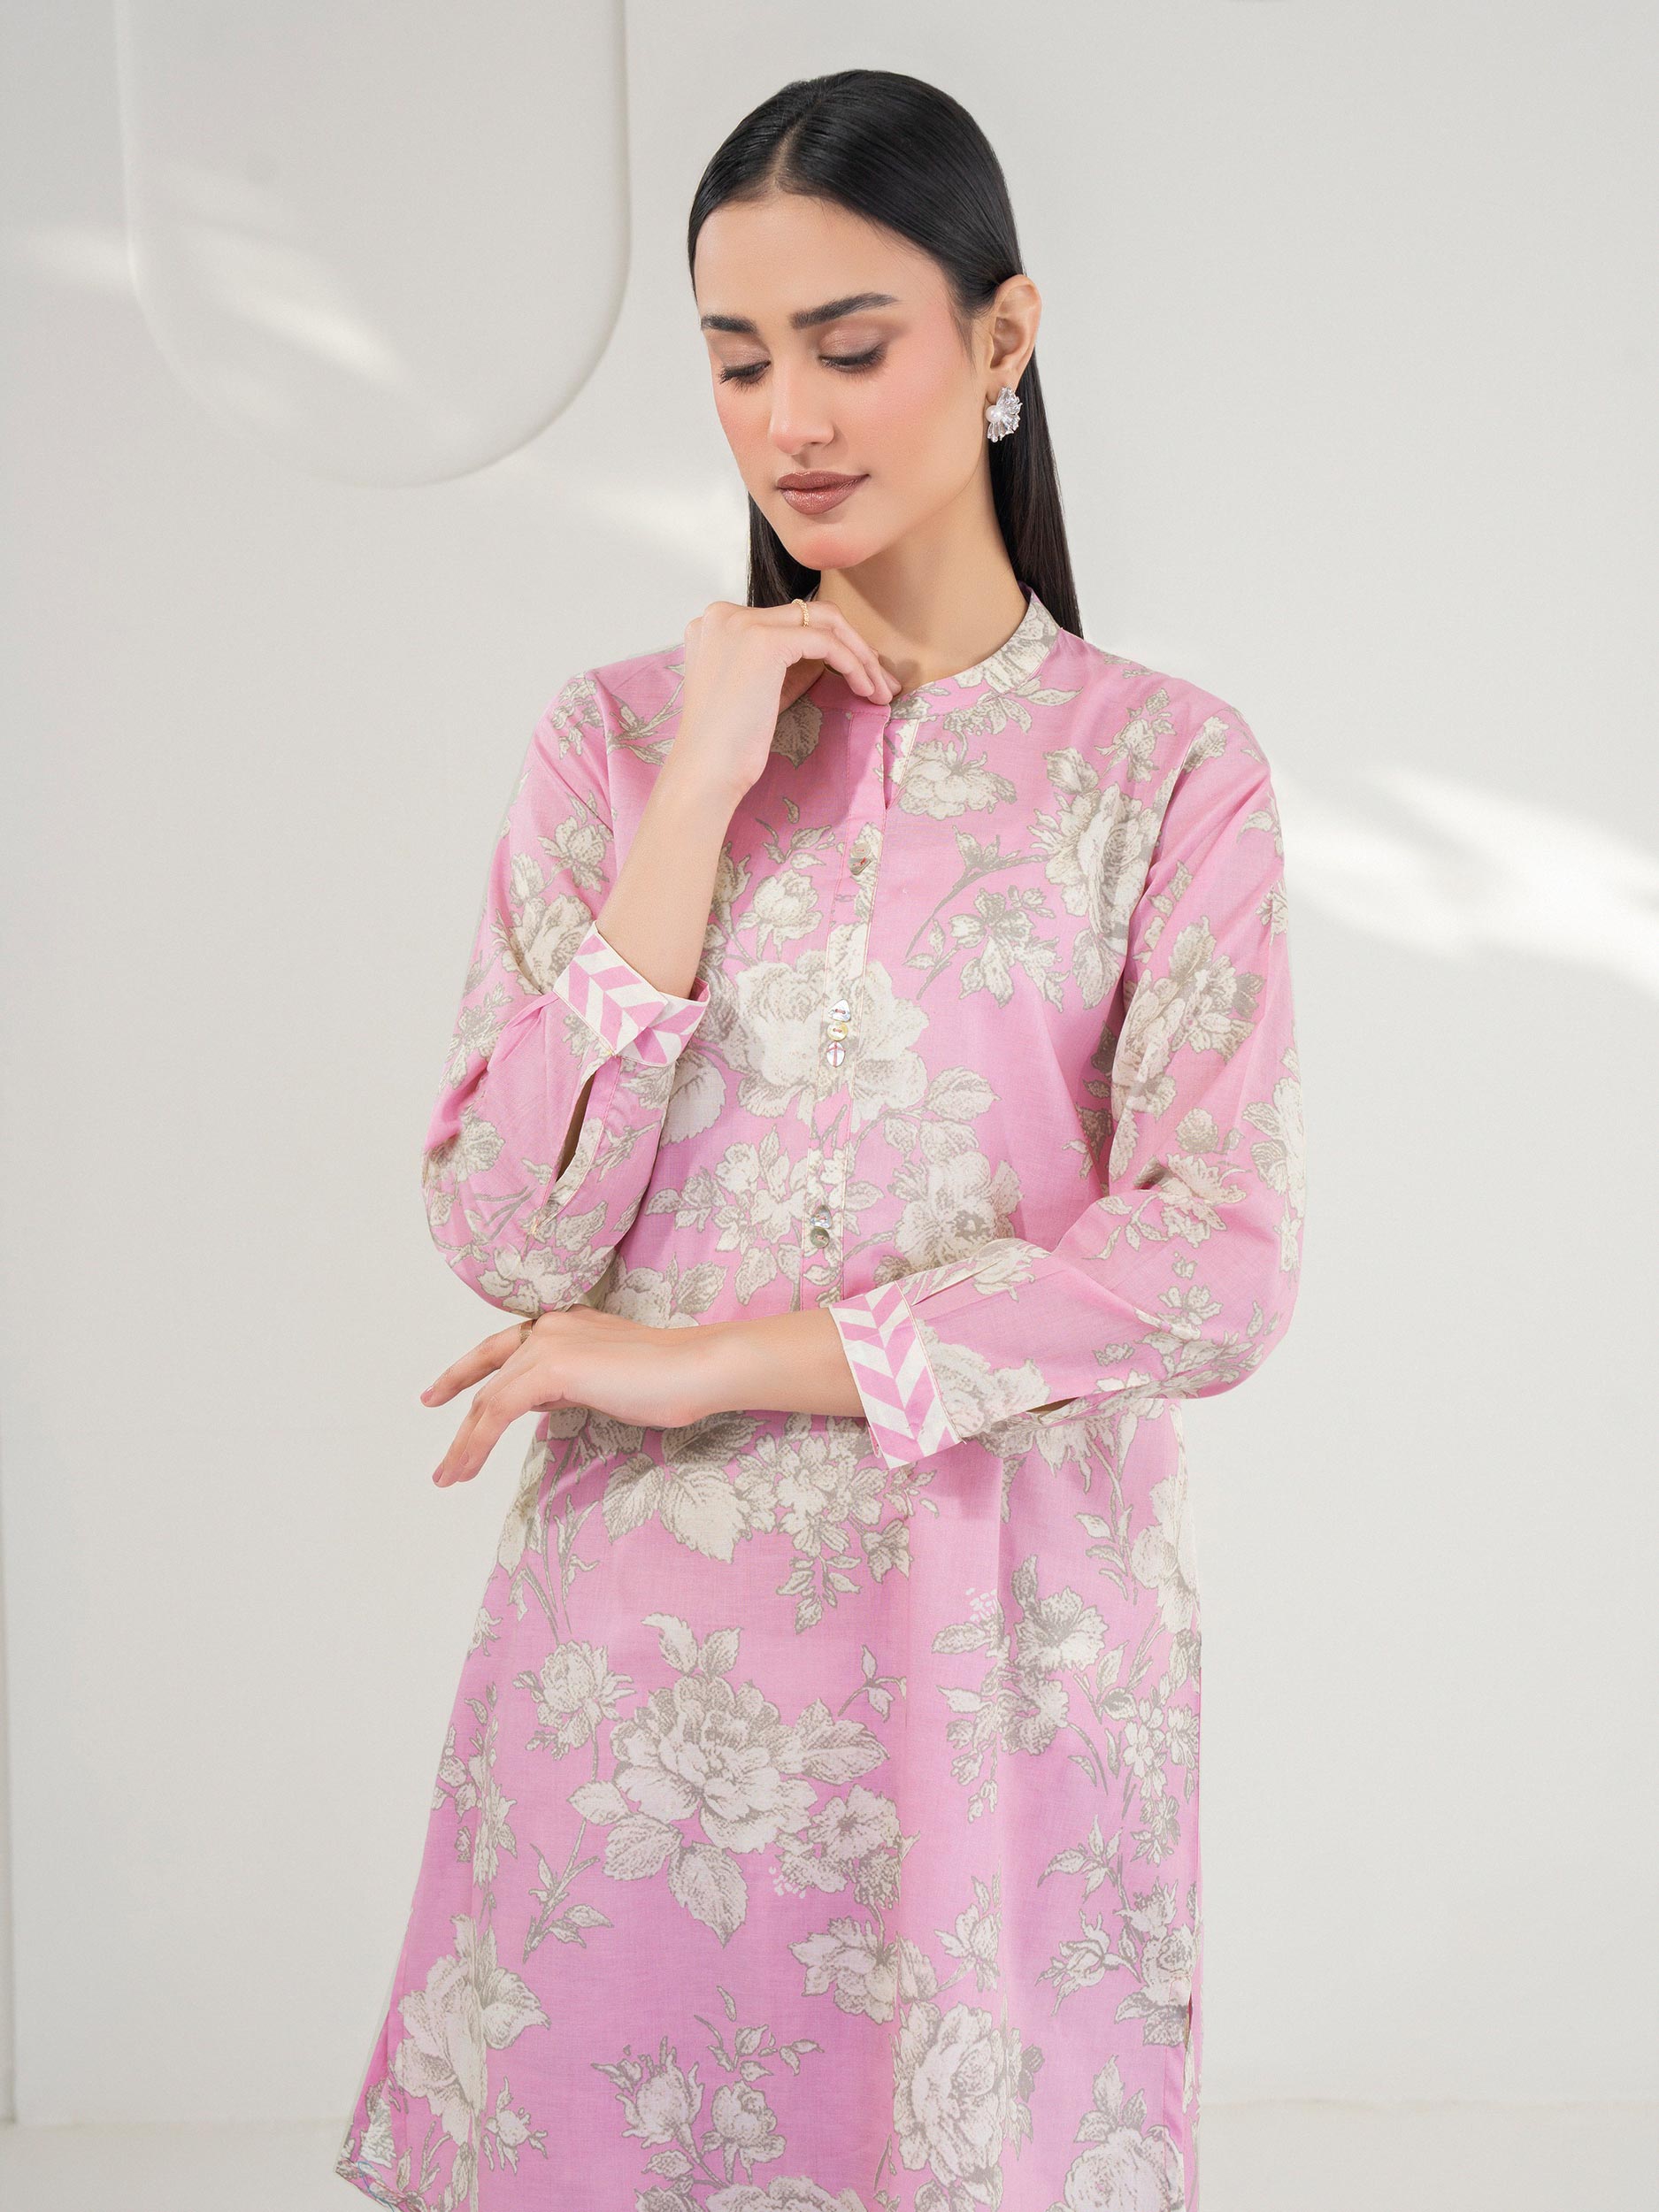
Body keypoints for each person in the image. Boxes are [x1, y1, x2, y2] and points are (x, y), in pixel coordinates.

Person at [335, 65, 1304, 2212]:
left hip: (993, 1665)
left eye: (850, 346)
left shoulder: (1159, 768)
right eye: (737, 359)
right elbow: (507, 1224)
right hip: (638, 1685)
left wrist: (707, 1356)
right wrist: (696, 790)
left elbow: (1215, 1262)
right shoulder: (613, 741)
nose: (789, 418)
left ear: (1000, 337)